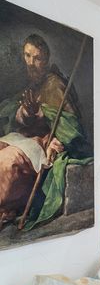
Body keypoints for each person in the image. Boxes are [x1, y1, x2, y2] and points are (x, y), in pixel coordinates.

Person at [0, 34, 88, 227]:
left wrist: (42, 114)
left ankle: (6, 205)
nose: (31, 63)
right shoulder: (31, 85)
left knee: (6, 162)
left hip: (43, 143)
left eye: (37, 58)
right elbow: (11, 113)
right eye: (27, 55)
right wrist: (24, 113)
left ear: (46, 61)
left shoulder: (54, 84)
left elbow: (72, 128)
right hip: (22, 138)